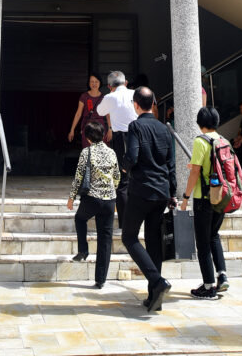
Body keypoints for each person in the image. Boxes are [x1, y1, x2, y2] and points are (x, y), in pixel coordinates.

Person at [121, 86, 176, 313]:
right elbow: (171, 164)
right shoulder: (165, 130)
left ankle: (157, 281)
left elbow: (132, 156)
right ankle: (155, 298)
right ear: (153, 102)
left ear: (135, 104)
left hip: (141, 190)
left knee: (129, 237)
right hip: (161, 192)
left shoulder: (135, 126)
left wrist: (125, 167)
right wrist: (172, 192)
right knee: (154, 241)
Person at [179, 106, 228, 299]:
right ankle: (222, 276)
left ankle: (208, 287)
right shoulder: (223, 140)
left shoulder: (201, 141)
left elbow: (195, 173)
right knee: (214, 236)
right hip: (221, 197)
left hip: (204, 198)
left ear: (200, 124)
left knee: (203, 243)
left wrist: (185, 197)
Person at [67, 120, 120, 289]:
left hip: (92, 197)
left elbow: (79, 176)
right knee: (105, 239)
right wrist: (110, 190)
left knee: (80, 219)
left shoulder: (86, 152)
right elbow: (117, 176)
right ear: (103, 135)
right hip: (110, 200)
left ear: (88, 137)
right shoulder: (112, 152)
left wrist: (71, 197)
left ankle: (83, 250)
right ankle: (101, 279)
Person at [97, 71, 136, 225]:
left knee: (122, 181)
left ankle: (124, 222)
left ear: (109, 86)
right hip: (139, 135)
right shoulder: (136, 93)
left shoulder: (110, 97)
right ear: (125, 82)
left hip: (121, 139)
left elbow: (100, 111)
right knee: (139, 177)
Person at [68, 72, 107, 149]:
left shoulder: (104, 97)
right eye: (92, 82)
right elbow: (78, 114)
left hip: (100, 126)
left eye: (96, 82)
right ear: (89, 83)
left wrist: (110, 129)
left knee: (101, 151)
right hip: (87, 126)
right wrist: (72, 130)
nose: (94, 84)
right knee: (87, 150)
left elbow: (108, 114)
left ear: (100, 83)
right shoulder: (84, 96)